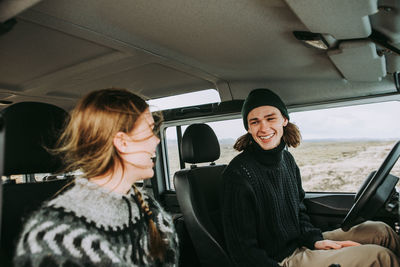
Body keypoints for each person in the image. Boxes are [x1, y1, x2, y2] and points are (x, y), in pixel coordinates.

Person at [220, 88, 400, 267]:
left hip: (301, 242)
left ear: (284, 120)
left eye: (270, 118)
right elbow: (243, 252)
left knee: (381, 231)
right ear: (249, 128)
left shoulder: (287, 160)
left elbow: (299, 211)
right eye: (255, 122)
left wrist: (315, 240)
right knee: (380, 257)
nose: (264, 127)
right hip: (280, 259)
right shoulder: (238, 175)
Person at [14, 88, 179, 266]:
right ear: (122, 142)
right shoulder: (54, 236)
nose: (157, 140)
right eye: (149, 131)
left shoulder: (151, 210)